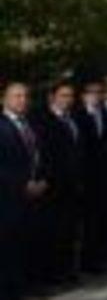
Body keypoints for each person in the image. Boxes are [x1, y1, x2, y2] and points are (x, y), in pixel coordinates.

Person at [31, 80, 85, 289]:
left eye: (70, 96)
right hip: (52, 187)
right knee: (52, 234)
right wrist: (45, 179)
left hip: (74, 186)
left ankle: (67, 272)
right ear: (52, 97)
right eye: (63, 95)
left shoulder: (75, 118)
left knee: (70, 232)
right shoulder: (41, 120)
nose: (68, 100)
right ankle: (51, 276)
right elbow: (42, 154)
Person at [1, 81, 47, 300]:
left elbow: (39, 156)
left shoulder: (31, 124)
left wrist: (42, 180)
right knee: (8, 246)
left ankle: (27, 286)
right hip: (7, 198)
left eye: (26, 96)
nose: (23, 100)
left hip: (34, 195)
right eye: (17, 96)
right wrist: (22, 184)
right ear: (4, 99)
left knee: (29, 241)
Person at [76, 79, 107, 274]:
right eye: (91, 92)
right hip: (86, 176)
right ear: (84, 96)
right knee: (89, 221)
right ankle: (87, 261)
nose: (95, 96)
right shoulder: (77, 116)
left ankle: (101, 259)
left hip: (106, 176)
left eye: (99, 92)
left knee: (104, 218)